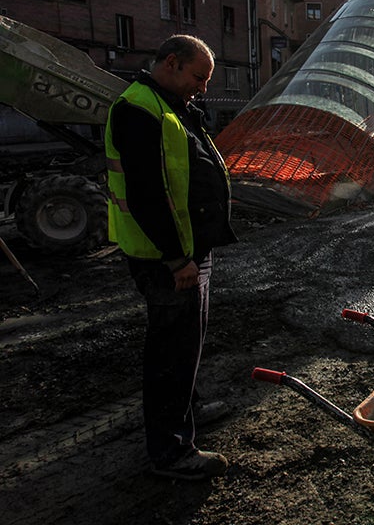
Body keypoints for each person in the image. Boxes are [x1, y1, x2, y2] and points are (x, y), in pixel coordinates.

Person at [105, 35, 237, 480]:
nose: (202, 87)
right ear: (173, 63)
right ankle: (172, 450)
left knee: (187, 345)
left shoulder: (168, 104)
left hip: (186, 251)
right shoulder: (139, 109)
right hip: (168, 259)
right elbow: (146, 195)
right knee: (171, 354)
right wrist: (177, 258)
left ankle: (189, 410)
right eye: (199, 77)